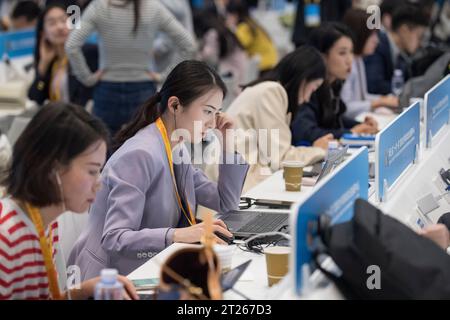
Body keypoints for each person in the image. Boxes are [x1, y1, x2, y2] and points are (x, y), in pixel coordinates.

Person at [68, 60, 249, 280]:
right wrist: (179, 235)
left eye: (217, 113)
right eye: (207, 112)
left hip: (152, 269)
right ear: (174, 106)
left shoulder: (175, 147)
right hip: (111, 279)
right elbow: (115, 238)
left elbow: (225, 203)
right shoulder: (141, 154)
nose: (212, 123)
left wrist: (228, 141)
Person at [0, 102, 138, 300]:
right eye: (92, 171)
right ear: (52, 168)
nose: (98, 184)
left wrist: (86, 289)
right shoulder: (6, 237)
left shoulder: (47, 224)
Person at [219, 46, 333, 192]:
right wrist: (319, 150)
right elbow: (280, 158)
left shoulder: (268, 89)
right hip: (238, 183)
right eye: (313, 88)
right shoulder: (272, 91)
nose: (308, 98)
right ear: (303, 80)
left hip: (237, 176)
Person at [291, 23, 379, 145]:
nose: (350, 60)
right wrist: (349, 132)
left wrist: (362, 126)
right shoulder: (309, 87)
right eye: (342, 53)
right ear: (322, 56)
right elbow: (305, 132)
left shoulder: (334, 83)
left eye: (351, 52)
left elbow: (333, 118)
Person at [28, 3, 98, 107]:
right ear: (44, 34)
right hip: (59, 121)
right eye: (52, 23)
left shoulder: (87, 53)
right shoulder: (52, 62)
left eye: (64, 21)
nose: (60, 27)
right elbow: (36, 97)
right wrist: (43, 67)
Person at [341, 8, 399, 119]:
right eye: (371, 35)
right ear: (358, 35)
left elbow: (362, 97)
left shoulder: (358, 60)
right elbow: (345, 107)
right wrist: (378, 102)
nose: (376, 40)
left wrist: (383, 100)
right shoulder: (348, 64)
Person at [364, 4, 429, 95]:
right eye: (419, 36)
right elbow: (375, 86)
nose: (421, 43)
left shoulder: (401, 54)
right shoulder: (378, 47)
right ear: (404, 30)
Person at [225, 0, 277, 74]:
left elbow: (239, 44)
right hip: (270, 60)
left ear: (235, 15)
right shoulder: (251, 22)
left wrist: (230, 28)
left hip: (264, 63)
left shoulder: (244, 27)